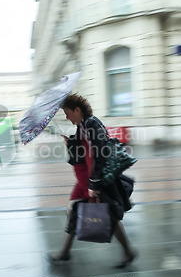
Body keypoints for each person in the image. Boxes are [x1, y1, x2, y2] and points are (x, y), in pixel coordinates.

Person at [47, 93, 137, 268]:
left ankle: (128, 252)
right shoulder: (83, 125)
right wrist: (70, 143)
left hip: (96, 180)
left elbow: (99, 155)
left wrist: (93, 184)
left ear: (77, 109)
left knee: (103, 214)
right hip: (87, 178)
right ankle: (65, 252)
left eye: (68, 113)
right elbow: (83, 149)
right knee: (78, 210)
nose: (67, 117)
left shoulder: (92, 125)